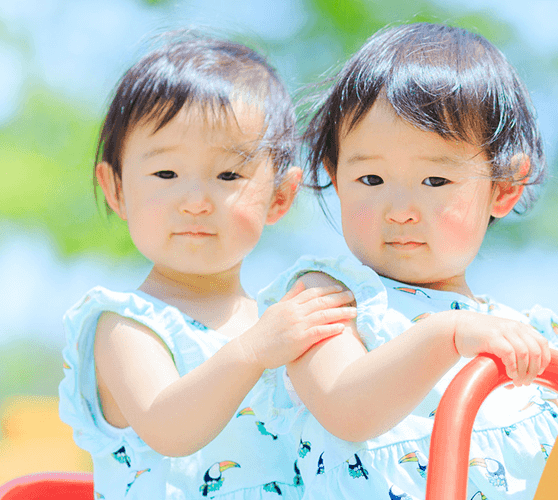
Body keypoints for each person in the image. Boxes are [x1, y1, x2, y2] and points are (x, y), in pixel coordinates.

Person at [257, 23, 558, 500]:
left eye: (434, 182)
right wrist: (445, 335)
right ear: (335, 178)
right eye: (370, 179)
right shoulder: (329, 300)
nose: (400, 209)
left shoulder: (531, 338)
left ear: (504, 188)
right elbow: (348, 408)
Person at [57, 32, 357, 499]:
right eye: (166, 174)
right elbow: (169, 429)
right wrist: (255, 350)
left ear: (280, 196)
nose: (195, 201)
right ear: (116, 188)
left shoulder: (281, 320)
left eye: (228, 175)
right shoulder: (123, 325)